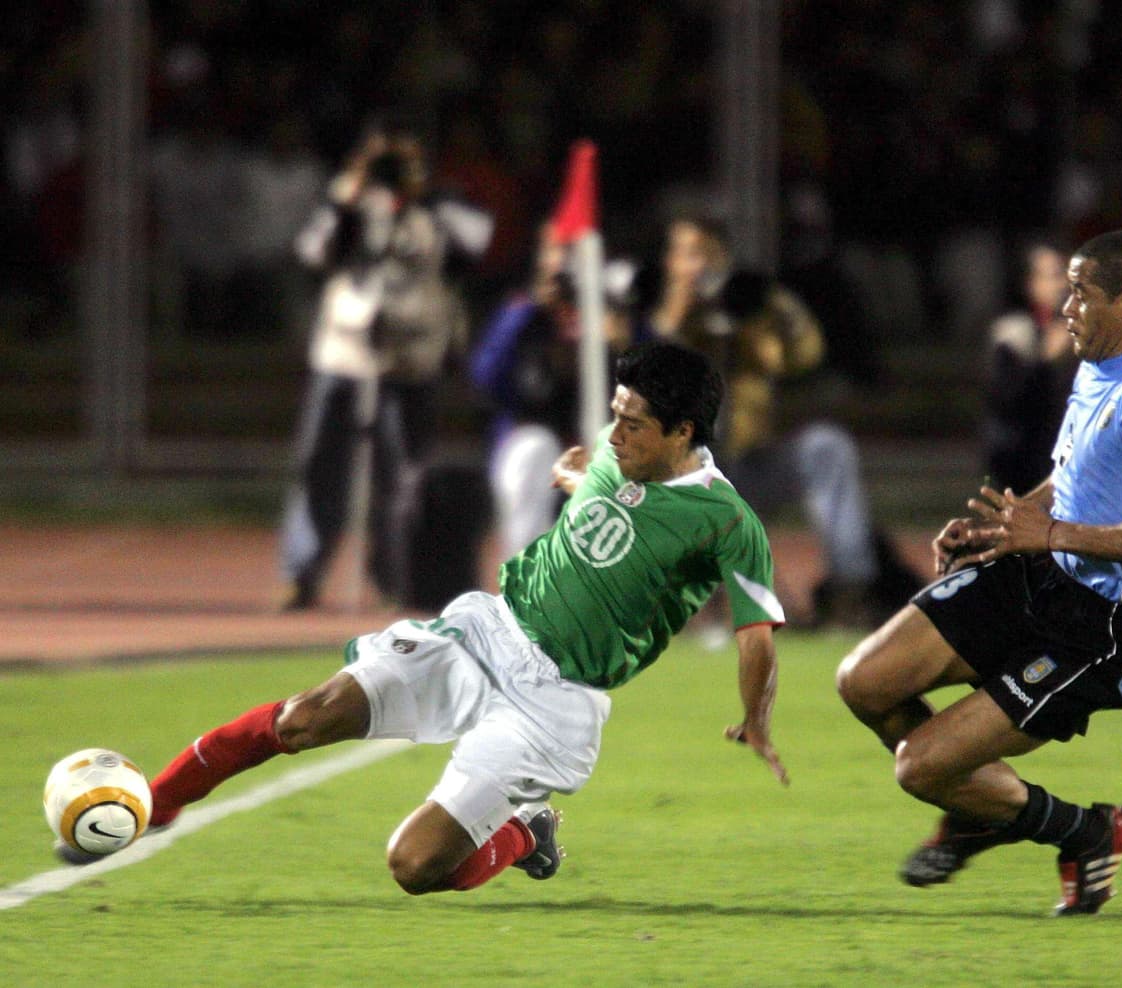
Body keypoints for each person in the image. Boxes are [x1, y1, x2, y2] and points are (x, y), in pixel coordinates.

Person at [63, 343, 789, 893]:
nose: (617, 432)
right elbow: (595, 480)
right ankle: (154, 805)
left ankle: (524, 833)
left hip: (553, 703)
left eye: (634, 425)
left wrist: (755, 716)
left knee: (414, 866)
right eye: (616, 417)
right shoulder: (616, 452)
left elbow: (757, 632)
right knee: (304, 719)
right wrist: (574, 473)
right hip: (485, 633)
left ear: (683, 430)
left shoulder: (726, 521)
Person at [836, 230, 1122, 916]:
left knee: (920, 766)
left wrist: (1054, 534)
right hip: (1036, 575)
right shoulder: (1106, 359)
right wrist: (1006, 530)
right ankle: (981, 806)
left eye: (1080, 293)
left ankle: (1084, 832)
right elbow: (1076, 472)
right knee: (864, 681)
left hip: (1099, 628)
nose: (1064, 305)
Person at [628, 213, 917, 627]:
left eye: (706, 254)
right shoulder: (650, 313)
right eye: (687, 254)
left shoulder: (748, 308)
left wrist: (769, 302)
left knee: (827, 445)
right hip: (676, 477)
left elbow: (806, 354)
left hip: (748, 463)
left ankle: (850, 591)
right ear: (669, 261)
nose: (698, 266)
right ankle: (704, 606)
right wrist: (677, 314)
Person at [278, 122, 491, 609]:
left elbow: (477, 244)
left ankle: (397, 575)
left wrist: (423, 194)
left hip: (411, 358)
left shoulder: (441, 210)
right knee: (320, 464)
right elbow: (312, 252)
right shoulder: (350, 204)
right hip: (345, 352)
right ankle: (303, 571)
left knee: (403, 476)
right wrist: (347, 196)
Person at [469, 222, 629, 558]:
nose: (564, 261)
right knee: (535, 449)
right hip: (531, 443)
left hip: (600, 444)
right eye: (557, 250)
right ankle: (529, 585)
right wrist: (526, 314)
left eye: (573, 250)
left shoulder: (611, 313)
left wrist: (619, 342)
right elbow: (484, 377)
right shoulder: (524, 313)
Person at [982, 240, 1076, 495]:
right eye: (1054, 276)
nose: (1062, 285)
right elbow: (1007, 402)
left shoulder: (1083, 330)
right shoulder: (1014, 334)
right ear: (1031, 283)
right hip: (1027, 458)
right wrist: (1045, 361)